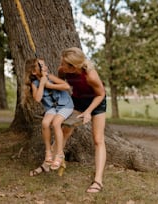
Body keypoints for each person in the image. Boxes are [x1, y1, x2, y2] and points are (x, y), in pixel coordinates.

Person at [58, 47, 107, 193]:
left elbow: (101, 94)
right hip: (77, 101)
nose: (61, 65)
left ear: (73, 67)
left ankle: (98, 180)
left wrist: (88, 112)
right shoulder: (63, 71)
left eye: (64, 63)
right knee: (64, 130)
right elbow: (60, 85)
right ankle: (51, 162)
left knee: (98, 140)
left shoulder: (90, 76)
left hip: (96, 102)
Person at [22, 58, 74, 176]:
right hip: (51, 108)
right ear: (34, 72)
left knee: (56, 124)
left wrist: (49, 85)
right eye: (42, 66)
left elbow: (66, 86)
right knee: (45, 123)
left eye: (44, 65)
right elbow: (38, 98)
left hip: (64, 105)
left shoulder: (50, 77)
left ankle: (60, 154)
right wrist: (42, 83)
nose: (45, 67)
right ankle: (48, 153)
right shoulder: (35, 84)